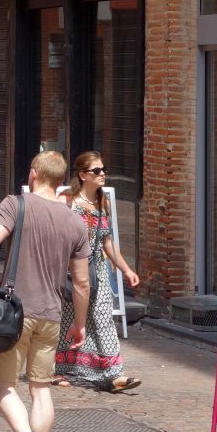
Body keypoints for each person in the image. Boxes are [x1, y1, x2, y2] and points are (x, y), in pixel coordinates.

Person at [0, 150, 89, 432]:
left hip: (14, 314)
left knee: (3, 384)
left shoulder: (15, 204)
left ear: (33, 174)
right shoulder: (76, 222)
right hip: (51, 315)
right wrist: (79, 324)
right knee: (41, 389)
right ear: (62, 181)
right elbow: (81, 282)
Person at [53, 152, 142, 393]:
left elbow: (107, 242)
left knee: (103, 318)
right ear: (83, 175)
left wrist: (126, 270)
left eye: (104, 169)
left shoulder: (103, 203)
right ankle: (59, 369)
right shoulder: (66, 201)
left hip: (98, 271)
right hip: (70, 270)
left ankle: (114, 374)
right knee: (67, 320)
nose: (102, 174)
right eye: (96, 170)